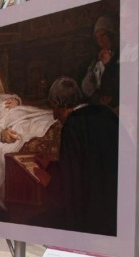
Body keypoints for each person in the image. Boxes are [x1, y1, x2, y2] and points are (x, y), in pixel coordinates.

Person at [48, 76, 118, 236]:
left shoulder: (73, 126)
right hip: (118, 209)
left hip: (93, 216)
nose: (54, 115)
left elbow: (72, 179)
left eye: (54, 107)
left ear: (62, 104)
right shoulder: (105, 113)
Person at [81, 15, 119, 111]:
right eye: (97, 37)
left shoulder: (119, 56)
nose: (100, 40)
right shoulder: (96, 60)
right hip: (100, 105)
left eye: (103, 36)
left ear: (111, 35)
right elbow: (86, 88)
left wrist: (108, 64)